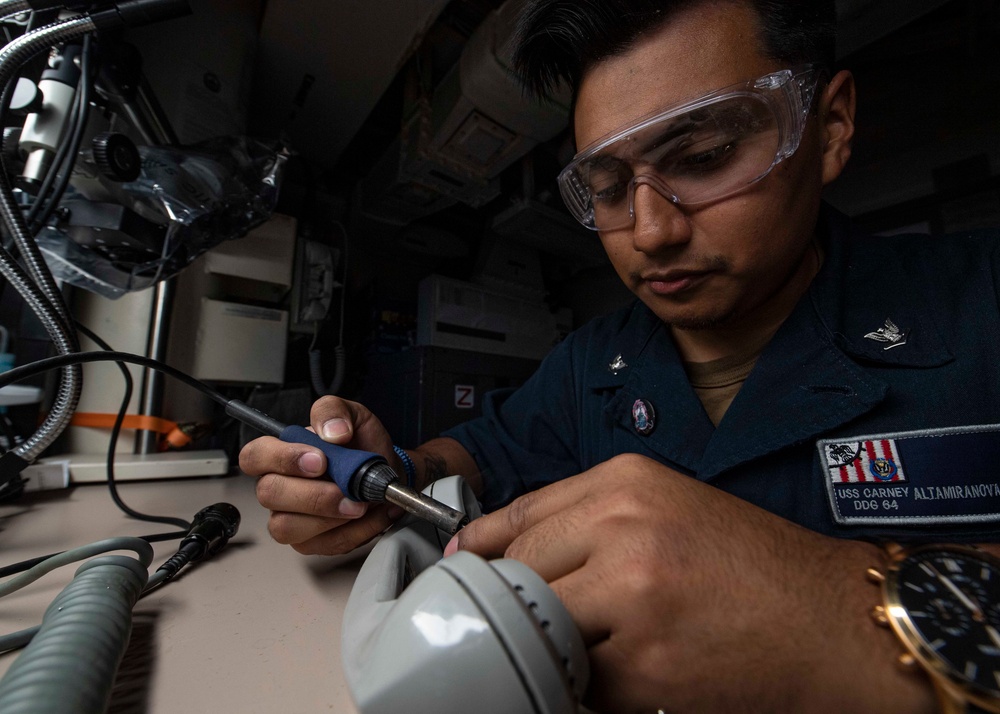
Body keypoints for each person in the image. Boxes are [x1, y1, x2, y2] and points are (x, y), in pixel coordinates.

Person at [239, 0, 1000, 711]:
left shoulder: (982, 306)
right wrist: (389, 473)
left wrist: (846, 614)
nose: (649, 232)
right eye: (607, 187)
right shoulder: (588, 365)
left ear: (830, 126)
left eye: (704, 155)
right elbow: (470, 458)